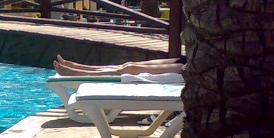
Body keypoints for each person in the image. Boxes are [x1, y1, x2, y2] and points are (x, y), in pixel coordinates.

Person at [52, 54, 185, 77]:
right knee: (128, 64)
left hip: (189, 67)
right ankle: (79, 67)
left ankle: (79, 73)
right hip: (186, 60)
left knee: (129, 69)